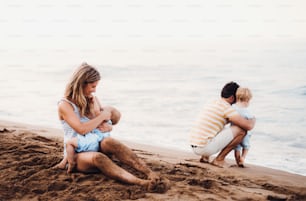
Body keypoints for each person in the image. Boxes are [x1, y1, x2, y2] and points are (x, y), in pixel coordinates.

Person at [54, 63, 169, 193]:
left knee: (111, 142)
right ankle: (141, 182)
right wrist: (102, 116)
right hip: (77, 153)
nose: (94, 90)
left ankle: (149, 173)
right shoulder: (65, 105)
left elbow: (106, 122)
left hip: (97, 143)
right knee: (98, 157)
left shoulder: (91, 99)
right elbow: (82, 129)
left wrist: (108, 126)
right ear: (81, 84)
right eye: (92, 86)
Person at [189, 81, 256, 168]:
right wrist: (253, 119)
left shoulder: (213, 102)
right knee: (241, 131)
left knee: (217, 126)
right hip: (204, 148)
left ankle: (205, 157)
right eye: (237, 98)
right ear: (232, 97)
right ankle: (219, 159)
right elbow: (248, 126)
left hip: (194, 145)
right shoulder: (227, 108)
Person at [232, 87, 254, 168]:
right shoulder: (247, 112)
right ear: (248, 100)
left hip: (234, 133)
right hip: (245, 134)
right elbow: (251, 122)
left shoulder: (233, 108)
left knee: (237, 148)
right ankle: (243, 158)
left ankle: (238, 161)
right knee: (246, 146)